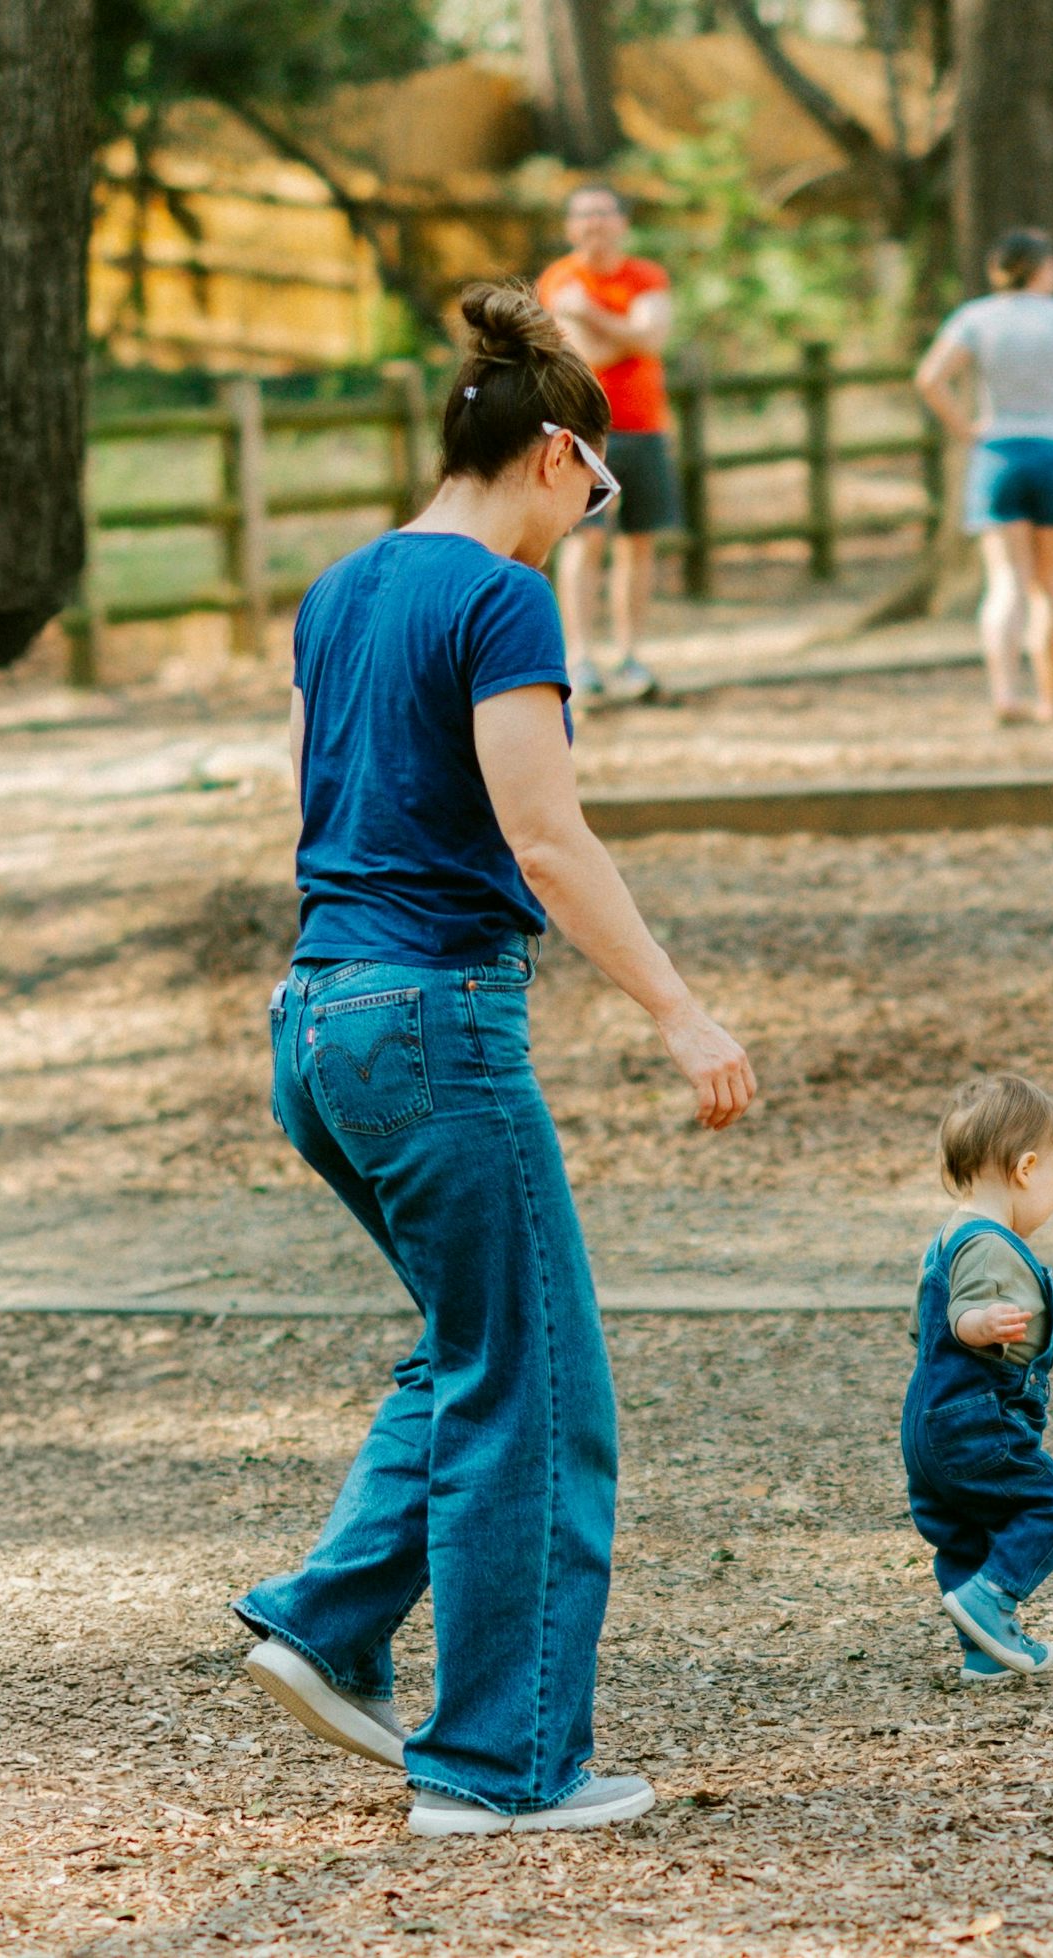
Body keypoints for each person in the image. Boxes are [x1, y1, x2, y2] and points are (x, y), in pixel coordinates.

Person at [233, 282, 756, 1839]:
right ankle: (501, 1767)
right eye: (591, 493)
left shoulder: (339, 588)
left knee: (473, 1348)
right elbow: (542, 830)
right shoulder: (502, 598)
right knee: (541, 1390)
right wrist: (679, 1007)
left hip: (318, 1022)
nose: (582, 526)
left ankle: (328, 1623)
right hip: (435, 1026)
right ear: (550, 453)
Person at [915, 229, 1053, 726]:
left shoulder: (975, 318)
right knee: (1052, 587)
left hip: (998, 453)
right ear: (1045, 269)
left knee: (1005, 582)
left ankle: (1004, 696)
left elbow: (930, 379)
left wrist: (964, 430)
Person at [902, 1074, 1053, 1682]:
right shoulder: (988, 1246)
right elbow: (959, 1318)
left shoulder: (947, 1238)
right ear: (1026, 1169)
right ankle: (993, 1600)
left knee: (965, 1538)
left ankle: (986, 1649)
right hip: (976, 1421)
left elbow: (919, 1329)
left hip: (929, 1425)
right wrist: (982, 1324)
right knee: (1052, 1506)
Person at [537, 184, 680, 701]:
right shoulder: (559, 279)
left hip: (644, 425)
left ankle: (631, 654)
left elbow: (651, 338)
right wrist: (623, 332)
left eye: (603, 214)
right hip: (581, 430)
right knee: (585, 539)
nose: (594, 224)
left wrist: (590, 314)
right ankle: (579, 658)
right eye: (583, 216)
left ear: (621, 222)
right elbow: (581, 354)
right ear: (571, 227)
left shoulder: (647, 276)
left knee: (639, 541)